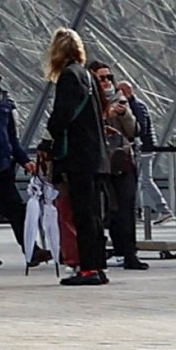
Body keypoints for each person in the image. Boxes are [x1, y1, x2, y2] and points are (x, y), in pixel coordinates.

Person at [41, 32, 109, 289]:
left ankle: (88, 267)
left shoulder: (69, 76)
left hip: (78, 156)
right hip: (94, 155)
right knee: (92, 214)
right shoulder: (87, 74)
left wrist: (49, 140)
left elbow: (62, 115)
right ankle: (97, 266)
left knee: (82, 213)